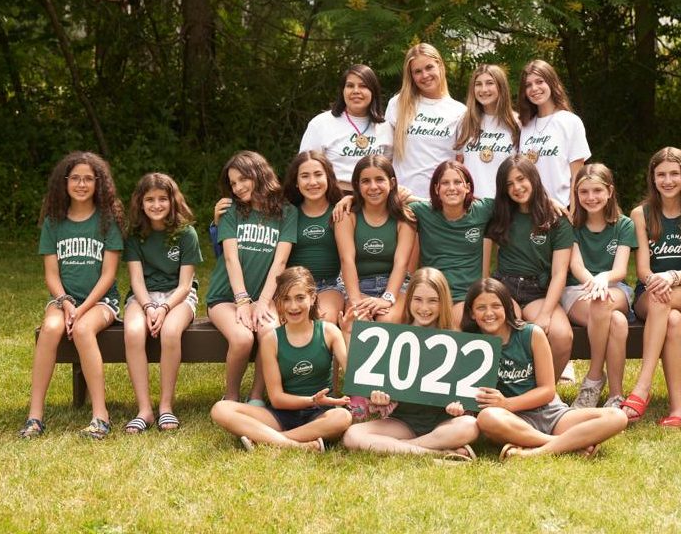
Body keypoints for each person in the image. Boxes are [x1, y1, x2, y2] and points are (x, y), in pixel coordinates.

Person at [20, 151, 124, 439]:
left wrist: (82, 308)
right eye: (75, 178)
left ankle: (100, 416)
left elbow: (109, 275)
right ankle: (35, 416)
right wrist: (66, 303)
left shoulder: (107, 220)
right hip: (64, 299)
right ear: (64, 182)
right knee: (50, 328)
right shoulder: (54, 222)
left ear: (98, 183)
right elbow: (51, 275)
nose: (81, 184)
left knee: (82, 329)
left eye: (88, 179)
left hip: (101, 301)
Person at [462, 278, 627, 459]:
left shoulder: (531, 334)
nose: (489, 313)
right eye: (481, 308)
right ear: (471, 313)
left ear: (507, 307)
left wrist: (507, 403)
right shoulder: (471, 345)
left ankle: (536, 452)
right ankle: (565, 443)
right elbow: (471, 399)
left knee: (617, 417)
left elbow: (548, 391)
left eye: (496, 305)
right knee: (486, 418)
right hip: (512, 420)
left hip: (550, 413)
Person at [341, 268, 479, 460]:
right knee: (352, 435)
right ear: (409, 300)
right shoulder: (396, 338)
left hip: (443, 424)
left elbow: (466, 399)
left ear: (443, 302)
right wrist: (378, 398)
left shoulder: (456, 341)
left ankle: (400, 448)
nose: (424, 308)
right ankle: (438, 453)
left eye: (433, 300)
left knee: (470, 426)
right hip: (403, 422)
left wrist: (459, 407)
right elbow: (364, 378)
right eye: (418, 299)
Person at [211, 267, 352, 451]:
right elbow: (277, 399)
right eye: (286, 299)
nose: (293, 306)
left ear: (313, 297)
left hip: (320, 414)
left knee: (343, 417)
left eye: (300, 298)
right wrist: (312, 400)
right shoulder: (272, 340)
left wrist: (347, 333)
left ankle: (270, 440)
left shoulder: (328, 331)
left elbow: (352, 376)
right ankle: (300, 445)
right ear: (278, 302)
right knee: (221, 409)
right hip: (282, 414)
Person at [622, 147, 681, 427]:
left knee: (668, 302)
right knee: (671, 319)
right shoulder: (641, 213)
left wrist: (670, 278)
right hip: (648, 293)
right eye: (661, 174)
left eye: (674, 174)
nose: (668, 180)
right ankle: (677, 409)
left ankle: (642, 387)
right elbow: (643, 270)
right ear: (653, 178)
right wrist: (656, 281)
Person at [205, 151, 298, 403]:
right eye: (233, 183)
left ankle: (256, 396)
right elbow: (230, 259)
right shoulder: (231, 211)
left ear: (259, 174)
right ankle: (232, 396)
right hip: (225, 297)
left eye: (242, 179)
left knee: (270, 334)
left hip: (264, 296)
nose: (237, 188)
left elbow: (280, 262)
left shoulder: (287, 213)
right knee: (243, 338)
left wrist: (264, 302)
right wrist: (243, 300)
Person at [122, 173, 203, 433]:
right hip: (144, 296)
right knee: (133, 332)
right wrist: (148, 307)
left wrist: (164, 308)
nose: (156, 205)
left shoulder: (185, 233)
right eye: (149, 199)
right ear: (140, 203)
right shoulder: (135, 235)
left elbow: (185, 284)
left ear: (172, 201)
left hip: (178, 297)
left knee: (169, 332)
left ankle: (166, 407)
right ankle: (144, 409)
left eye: (162, 199)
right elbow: (136, 280)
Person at [487, 156, 574, 381]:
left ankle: (544, 393)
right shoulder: (499, 212)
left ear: (533, 178)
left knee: (562, 335)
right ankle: (508, 387)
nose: (516, 187)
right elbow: (457, 202)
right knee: (506, 327)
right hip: (505, 287)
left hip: (538, 291)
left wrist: (545, 314)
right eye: (509, 184)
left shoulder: (555, 218)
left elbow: (559, 273)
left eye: (521, 179)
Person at [561, 164, 636, 409]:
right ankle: (614, 394)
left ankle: (594, 380)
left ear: (610, 191)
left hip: (615, 288)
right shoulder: (570, 224)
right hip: (578, 290)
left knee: (603, 301)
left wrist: (603, 278)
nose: (591, 197)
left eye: (597, 190)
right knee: (618, 322)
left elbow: (621, 270)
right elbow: (577, 267)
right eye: (584, 192)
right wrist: (593, 283)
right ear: (575, 193)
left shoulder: (624, 224)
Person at [408, 161, 493, 325]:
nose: (452, 187)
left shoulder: (483, 210)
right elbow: (384, 199)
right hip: (433, 294)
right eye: (445, 183)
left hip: (466, 296)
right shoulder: (422, 211)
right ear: (436, 189)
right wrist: (351, 199)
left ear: (467, 187)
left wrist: (549, 202)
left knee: (458, 321)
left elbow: (514, 203)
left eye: (457, 182)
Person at [335, 154, 415, 323]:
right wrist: (355, 300)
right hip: (357, 285)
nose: (373, 187)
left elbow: (402, 263)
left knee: (388, 320)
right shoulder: (347, 215)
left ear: (392, 183)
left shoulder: (405, 217)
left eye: (380, 179)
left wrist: (388, 298)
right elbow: (346, 260)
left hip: (396, 286)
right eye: (365, 181)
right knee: (359, 320)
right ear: (357, 185)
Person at [386, 43, 466, 198]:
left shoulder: (459, 111)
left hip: (440, 202)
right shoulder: (397, 104)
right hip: (401, 199)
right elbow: (385, 156)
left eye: (429, 67)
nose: (424, 75)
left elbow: (460, 162)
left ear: (440, 66)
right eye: (417, 71)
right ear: (411, 76)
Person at [299, 64, 392, 192]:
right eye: (350, 86)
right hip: (334, 198)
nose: (356, 91)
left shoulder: (384, 127)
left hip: (374, 198)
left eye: (363, 86)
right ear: (342, 90)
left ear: (373, 91)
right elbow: (304, 167)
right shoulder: (321, 124)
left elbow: (388, 167)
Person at [516, 59, 591, 208]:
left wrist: (574, 214)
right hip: (530, 211)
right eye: (528, 85)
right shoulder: (524, 126)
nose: (534, 88)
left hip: (562, 210)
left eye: (540, 81)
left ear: (551, 82)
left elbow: (577, 175)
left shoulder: (570, 122)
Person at [284, 151, 346, 326]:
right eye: (305, 176)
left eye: (318, 175)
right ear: (296, 182)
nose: (312, 182)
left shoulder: (341, 210)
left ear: (328, 177)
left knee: (322, 321)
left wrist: (350, 198)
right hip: (291, 287)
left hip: (329, 286)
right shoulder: (286, 213)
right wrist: (218, 221)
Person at [454, 64, 519, 198]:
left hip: (506, 205)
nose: (484, 89)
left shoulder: (516, 123)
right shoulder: (464, 122)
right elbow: (458, 165)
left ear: (501, 87)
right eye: (478, 84)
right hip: (472, 206)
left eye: (490, 83)